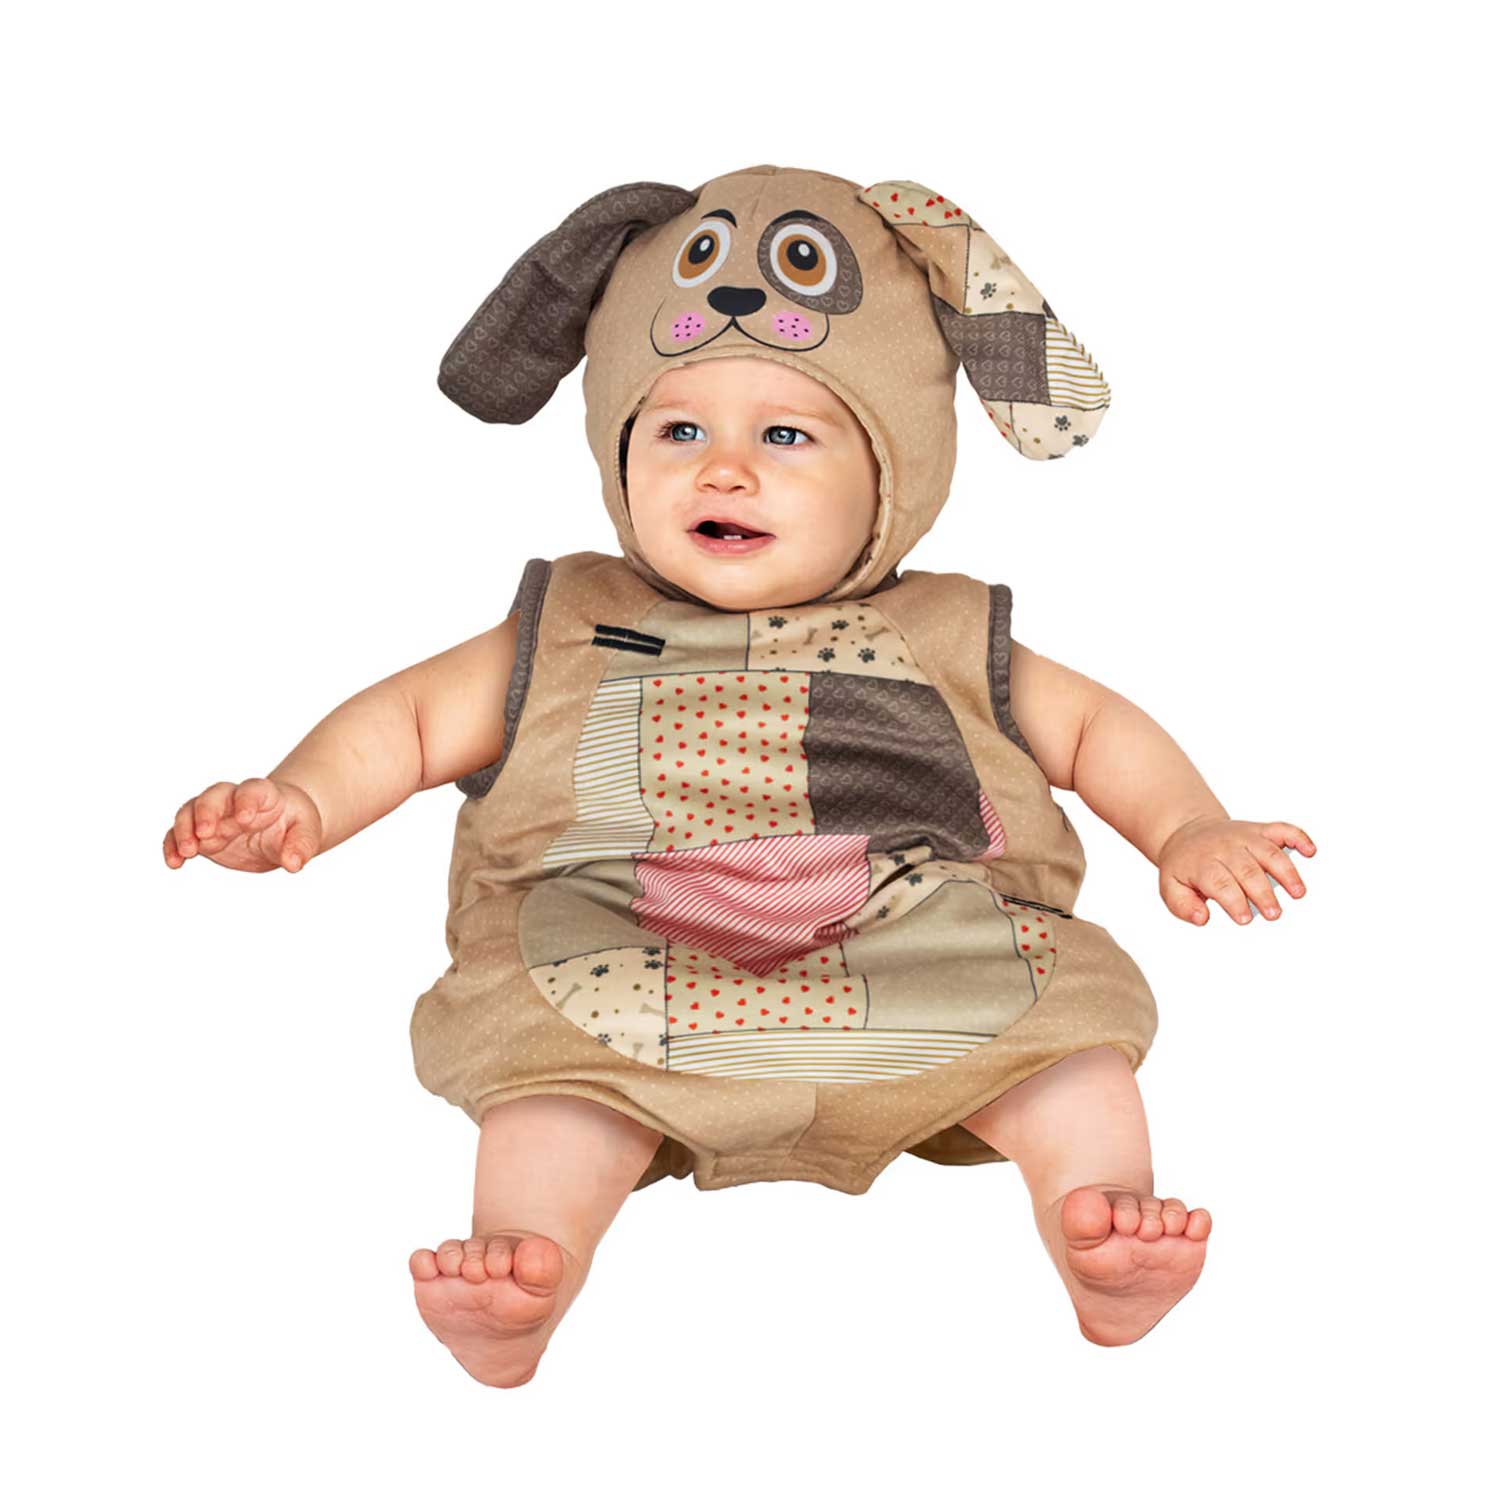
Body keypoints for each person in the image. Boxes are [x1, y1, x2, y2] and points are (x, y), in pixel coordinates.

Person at [163, 166, 1315, 1385]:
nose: (722, 471)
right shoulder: (567, 623)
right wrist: (300, 797)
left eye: (784, 435)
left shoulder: (949, 629)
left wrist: (1188, 826)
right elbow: (402, 723)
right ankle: (525, 1268)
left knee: (1071, 1046)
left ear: (897, 466)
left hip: (915, 942)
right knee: (551, 1093)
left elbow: (1094, 733)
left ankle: (1102, 1230)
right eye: (677, 432)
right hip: (625, 939)